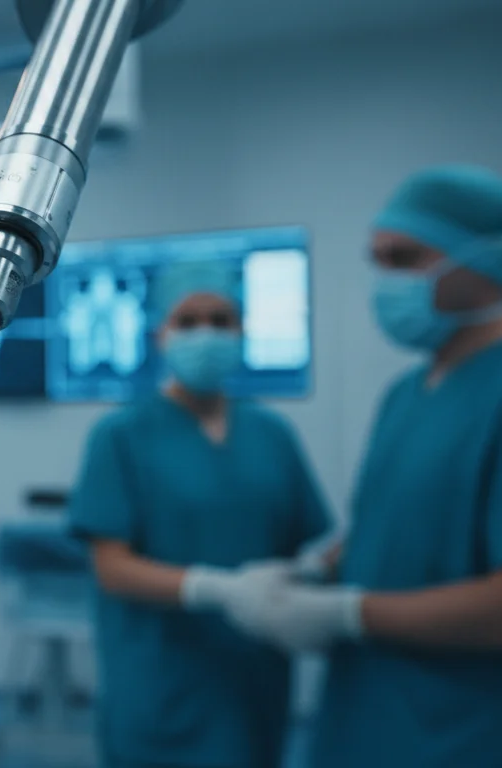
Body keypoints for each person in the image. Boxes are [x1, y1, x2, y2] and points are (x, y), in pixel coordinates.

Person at [221, 165, 502, 768]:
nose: (385, 281)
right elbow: (395, 531)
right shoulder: (407, 393)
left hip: (469, 731)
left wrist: (345, 614)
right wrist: (313, 572)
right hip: (367, 715)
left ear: (488, 261)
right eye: (378, 260)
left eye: (407, 258)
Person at [67, 259, 332, 768]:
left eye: (221, 320)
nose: (205, 334)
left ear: (241, 331)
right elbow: (111, 567)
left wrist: (309, 581)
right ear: (160, 333)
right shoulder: (121, 436)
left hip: (256, 675)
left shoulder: (272, 434)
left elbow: (305, 544)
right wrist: (219, 589)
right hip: (160, 677)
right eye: (188, 321)